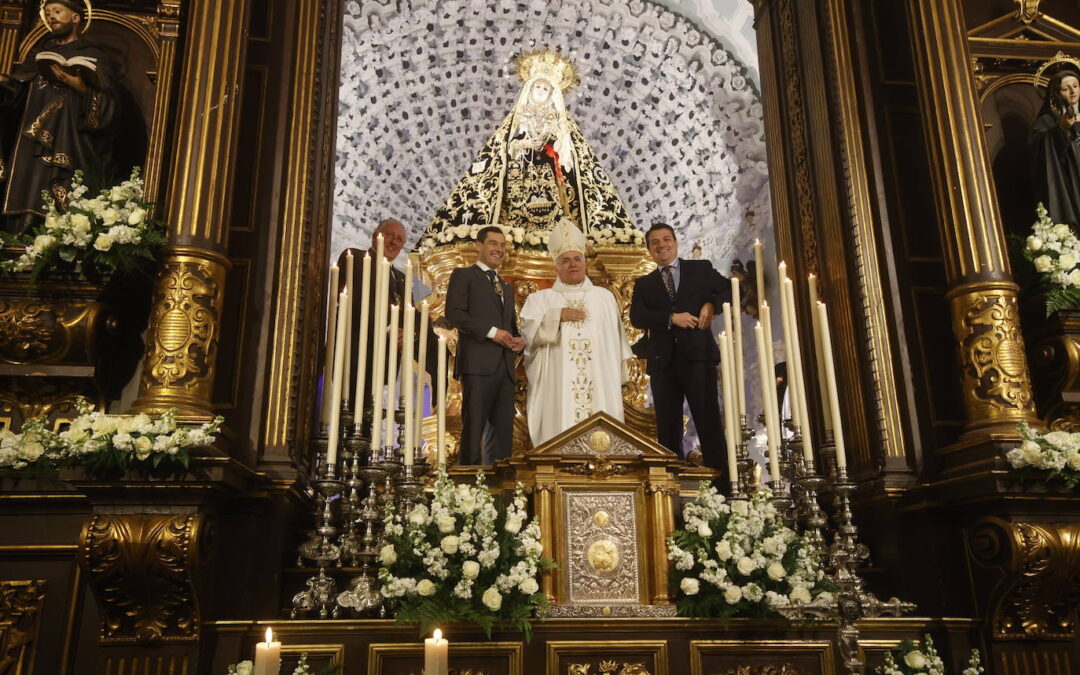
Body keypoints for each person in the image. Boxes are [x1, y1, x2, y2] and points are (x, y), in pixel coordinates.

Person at [0, 1, 119, 230]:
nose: (52, 17)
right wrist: (5, 85)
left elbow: (110, 107)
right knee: (29, 181)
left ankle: (56, 233)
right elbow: (17, 92)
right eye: (47, 13)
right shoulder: (39, 53)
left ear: (76, 18)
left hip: (71, 136)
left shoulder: (93, 55)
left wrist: (81, 88)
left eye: (57, 11)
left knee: (60, 183)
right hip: (31, 137)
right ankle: (18, 230)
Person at [520, 218, 632, 447]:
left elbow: (616, 342)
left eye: (577, 259)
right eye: (565, 260)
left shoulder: (604, 297)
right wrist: (556, 316)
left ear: (585, 263)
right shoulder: (539, 300)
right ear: (556, 267)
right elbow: (527, 337)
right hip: (556, 383)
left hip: (600, 379)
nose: (572, 264)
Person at [630, 223, 730, 469]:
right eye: (655, 242)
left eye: (666, 239)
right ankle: (670, 489)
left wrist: (711, 305)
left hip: (698, 357)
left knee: (708, 422)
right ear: (649, 249)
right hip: (663, 362)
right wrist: (670, 318)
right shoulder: (644, 283)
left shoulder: (700, 269)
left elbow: (728, 289)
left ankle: (724, 488)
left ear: (675, 242)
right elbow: (637, 317)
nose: (661, 245)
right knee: (667, 427)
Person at [336, 218, 438, 431]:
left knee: (367, 421)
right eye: (390, 234)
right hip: (354, 355)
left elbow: (417, 315)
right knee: (348, 419)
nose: (394, 241)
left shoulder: (402, 278)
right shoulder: (353, 257)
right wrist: (388, 328)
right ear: (376, 235)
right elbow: (354, 299)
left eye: (399, 239)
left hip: (383, 362)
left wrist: (412, 334)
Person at [444, 226, 524, 464]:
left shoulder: (506, 287)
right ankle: (468, 487)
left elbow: (507, 325)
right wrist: (492, 333)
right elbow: (454, 313)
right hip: (477, 365)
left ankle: (500, 495)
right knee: (473, 428)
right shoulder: (464, 275)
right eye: (493, 243)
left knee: (502, 435)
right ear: (478, 246)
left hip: (505, 367)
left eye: (502, 245)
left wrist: (517, 339)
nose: (499, 249)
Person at [1031, 68, 1080, 227]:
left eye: (1076, 86)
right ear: (1056, 93)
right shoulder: (1047, 121)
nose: (1073, 91)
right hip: (1070, 179)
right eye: (1066, 89)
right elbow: (1044, 155)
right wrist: (1061, 129)